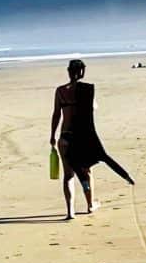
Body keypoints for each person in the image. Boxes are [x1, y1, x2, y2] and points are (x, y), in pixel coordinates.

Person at [50, 59, 134, 217]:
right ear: (82, 72)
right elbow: (94, 108)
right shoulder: (87, 91)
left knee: (68, 175)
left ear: (68, 72)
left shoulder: (60, 91)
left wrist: (52, 135)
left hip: (65, 138)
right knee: (86, 171)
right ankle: (90, 204)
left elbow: (56, 114)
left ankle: (70, 211)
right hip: (81, 139)